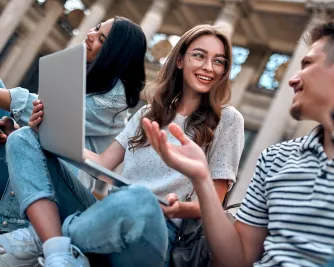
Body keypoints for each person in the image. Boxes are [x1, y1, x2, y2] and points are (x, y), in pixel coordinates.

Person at [0, 24, 244, 267]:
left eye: (219, 61)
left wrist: (176, 209)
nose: (208, 67)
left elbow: (210, 205)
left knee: (139, 197)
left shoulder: (227, 120)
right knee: (22, 139)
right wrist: (44, 134)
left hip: (159, 231)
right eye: (199, 56)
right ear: (179, 60)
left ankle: (43, 237)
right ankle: (58, 251)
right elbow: (101, 163)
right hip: (107, 212)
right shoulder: (149, 113)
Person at [143, 20, 334, 267]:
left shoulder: (229, 120)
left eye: (307, 64)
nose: (292, 80)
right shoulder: (276, 159)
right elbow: (238, 260)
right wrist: (202, 178)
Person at [0, 16, 147, 234]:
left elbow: (46, 110)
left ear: (114, 54)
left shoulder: (115, 97)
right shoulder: (84, 74)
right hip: (34, 163)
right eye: (96, 28)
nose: (89, 35)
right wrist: (16, 130)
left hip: (60, 184)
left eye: (102, 39)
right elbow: (47, 129)